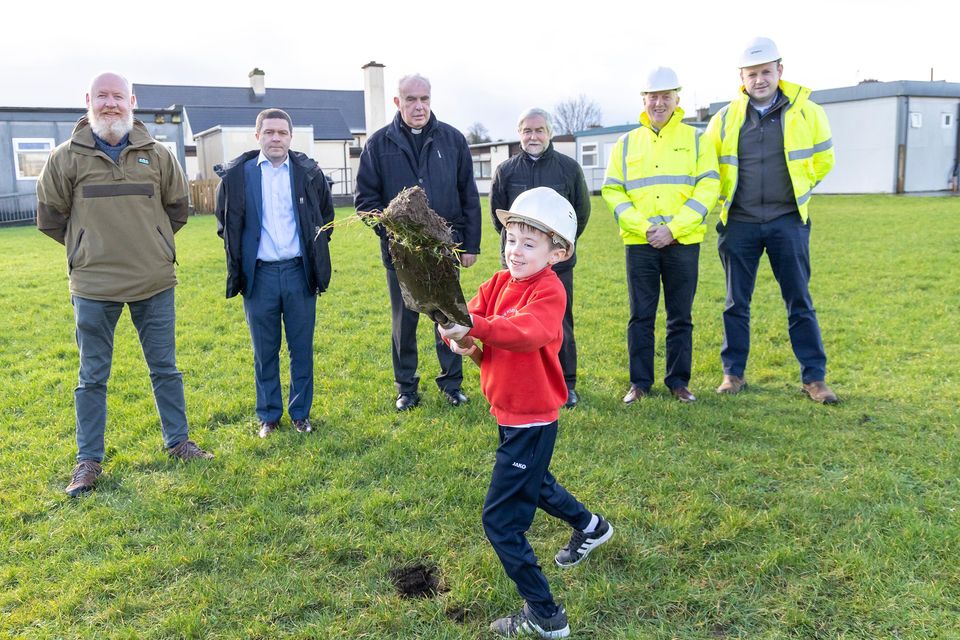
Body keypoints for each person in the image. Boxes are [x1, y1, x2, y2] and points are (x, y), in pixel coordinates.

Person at [439, 187, 612, 639]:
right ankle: (592, 527)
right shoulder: (497, 283)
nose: (515, 251)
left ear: (557, 252)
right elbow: (467, 318)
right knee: (536, 483)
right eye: (511, 239)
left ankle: (546, 615)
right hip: (507, 410)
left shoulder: (549, 291)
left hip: (532, 417)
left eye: (529, 243)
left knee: (500, 522)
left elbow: (525, 333)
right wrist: (455, 334)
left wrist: (474, 328)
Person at [36, 72, 213, 497]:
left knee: (165, 368)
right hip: (93, 287)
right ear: (88, 101)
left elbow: (177, 209)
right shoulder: (65, 158)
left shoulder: (158, 154)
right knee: (91, 377)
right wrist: (87, 248)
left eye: (118, 96)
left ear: (132, 101)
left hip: (154, 281)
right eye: (102, 96)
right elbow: (50, 219)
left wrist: (149, 244)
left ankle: (179, 442)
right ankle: (88, 461)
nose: (110, 104)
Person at [706, 37, 838, 403]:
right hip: (740, 223)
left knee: (799, 300)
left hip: (787, 221)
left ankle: (815, 379)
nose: (760, 80)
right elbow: (709, 168)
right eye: (752, 74)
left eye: (766, 72)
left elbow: (824, 159)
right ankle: (733, 374)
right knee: (736, 303)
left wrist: (802, 188)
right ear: (741, 78)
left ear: (780, 70)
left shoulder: (808, 111)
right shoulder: (725, 118)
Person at [356, 73, 482, 411]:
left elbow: (469, 194)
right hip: (402, 256)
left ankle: (452, 383)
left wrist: (470, 245)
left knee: (450, 315)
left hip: (445, 249)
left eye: (424, 99)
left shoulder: (452, 140)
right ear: (398, 102)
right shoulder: (379, 144)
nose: (418, 106)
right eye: (411, 99)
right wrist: (395, 234)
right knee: (405, 320)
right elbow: (365, 202)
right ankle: (406, 388)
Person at [601, 67, 720, 404]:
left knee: (680, 316)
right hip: (640, 243)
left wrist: (673, 229)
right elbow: (613, 191)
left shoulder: (697, 139)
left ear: (676, 99)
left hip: (683, 242)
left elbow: (709, 187)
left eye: (666, 96)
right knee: (641, 315)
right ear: (644, 99)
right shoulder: (626, 144)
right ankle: (639, 383)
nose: (659, 102)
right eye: (653, 96)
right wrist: (646, 229)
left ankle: (678, 382)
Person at [214, 109, 334, 438]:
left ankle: (300, 414)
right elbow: (224, 223)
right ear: (258, 136)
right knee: (264, 350)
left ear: (290, 137)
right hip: (260, 276)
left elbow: (326, 218)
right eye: (269, 132)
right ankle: (268, 415)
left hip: (299, 272)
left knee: (301, 348)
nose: (276, 138)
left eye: (282, 132)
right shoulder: (239, 175)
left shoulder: (308, 173)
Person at [489, 108, 590, 408]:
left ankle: (566, 383)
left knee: (560, 324)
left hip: (556, 267)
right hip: (517, 268)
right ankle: (519, 385)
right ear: (519, 133)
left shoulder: (569, 169)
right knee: (514, 323)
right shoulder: (505, 171)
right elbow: (500, 219)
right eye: (527, 130)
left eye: (540, 130)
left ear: (550, 133)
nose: (533, 136)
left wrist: (552, 252)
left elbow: (580, 215)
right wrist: (522, 248)